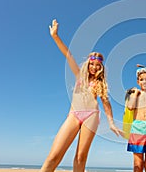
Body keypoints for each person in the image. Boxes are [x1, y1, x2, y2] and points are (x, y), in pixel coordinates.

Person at [40, 19, 122, 172]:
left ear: (101, 68)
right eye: (92, 64)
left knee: (80, 157)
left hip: (91, 116)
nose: (94, 67)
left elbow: (106, 104)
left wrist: (111, 123)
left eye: (98, 65)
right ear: (88, 64)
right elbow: (68, 55)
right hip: (73, 115)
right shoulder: (79, 76)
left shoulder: (100, 84)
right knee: (53, 156)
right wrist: (55, 36)